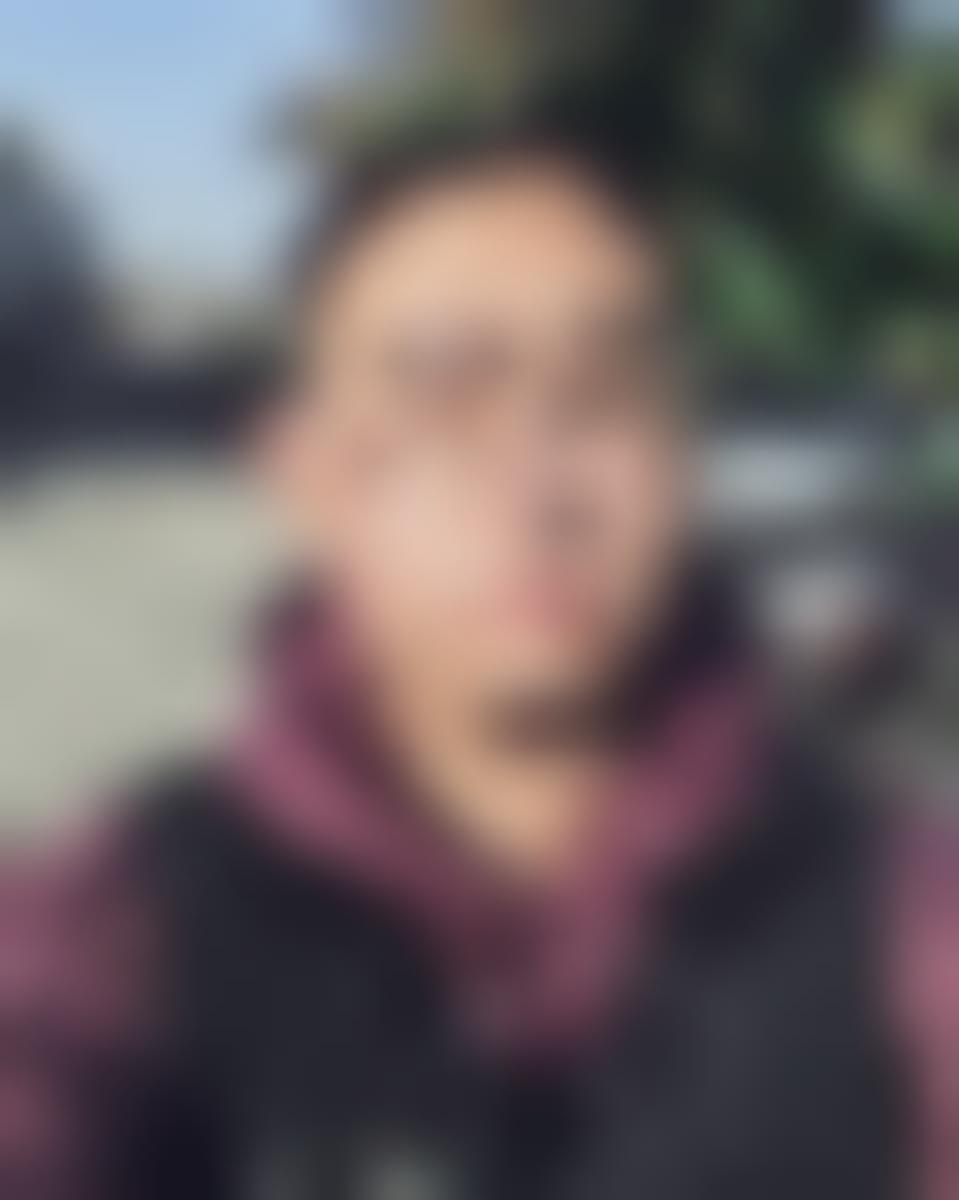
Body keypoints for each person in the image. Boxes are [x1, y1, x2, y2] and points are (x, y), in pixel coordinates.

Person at [2, 126, 957, 1200]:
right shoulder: (111, 920)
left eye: (604, 394)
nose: (538, 491)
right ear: (311, 477)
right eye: (446, 401)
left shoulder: (899, 913)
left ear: (683, 455)